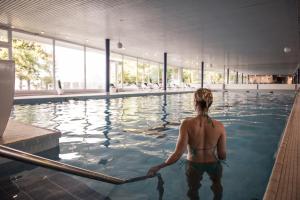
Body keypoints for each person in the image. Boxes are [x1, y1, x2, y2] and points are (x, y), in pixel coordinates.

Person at [147, 88, 227, 200]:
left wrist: (159, 166)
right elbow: (222, 155)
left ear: (195, 102)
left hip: (194, 165)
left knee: (193, 190)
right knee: (217, 187)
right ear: (210, 104)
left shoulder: (186, 124)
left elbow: (178, 153)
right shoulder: (220, 126)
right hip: (213, 164)